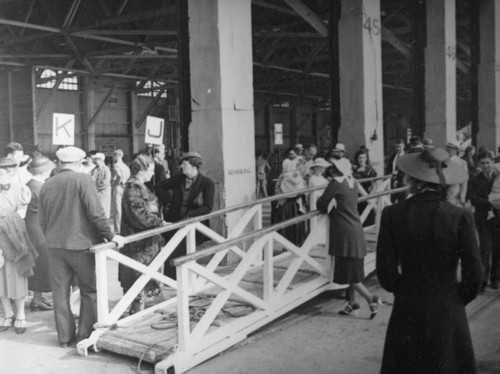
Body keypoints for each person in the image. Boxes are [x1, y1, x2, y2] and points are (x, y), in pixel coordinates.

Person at [376, 147, 483, 373]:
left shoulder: (392, 214)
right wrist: (455, 297)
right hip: (448, 306)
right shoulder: (461, 216)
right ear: (448, 184)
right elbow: (475, 274)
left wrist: (404, 289)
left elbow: (385, 273)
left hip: (408, 307)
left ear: (411, 179)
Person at [38, 146, 125, 347]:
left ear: (59, 163)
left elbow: (41, 221)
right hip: (81, 245)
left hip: (54, 245)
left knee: (60, 292)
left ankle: (65, 338)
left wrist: (51, 237)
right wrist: (112, 236)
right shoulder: (83, 180)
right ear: (79, 163)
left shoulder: (47, 184)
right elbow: (96, 214)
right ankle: (85, 335)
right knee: (89, 290)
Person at [316, 161, 380, 318]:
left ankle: (371, 298)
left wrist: (331, 209)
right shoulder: (354, 182)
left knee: (348, 273)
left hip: (344, 233)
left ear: (336, 170)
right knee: (355, 271)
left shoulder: (335, 183)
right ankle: (352, 303)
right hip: (356, 230)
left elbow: (321, 204)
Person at [156, 152, 215, 280]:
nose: (181, 167)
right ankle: (170, 283)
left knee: (179, 252)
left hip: (192, 225)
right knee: (171, 253)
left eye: (184, 164)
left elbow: (208, 207)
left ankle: (178, 282)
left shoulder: (207, 183)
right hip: (174, 222)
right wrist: (167, 203)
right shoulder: (178, 179)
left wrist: (190, 214)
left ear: (194, 165)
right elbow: (159, 187)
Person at [119, 155, 166, 314]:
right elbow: (138, 215)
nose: (153, 174)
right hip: (139, 246)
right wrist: (160, 223)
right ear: (141, 170)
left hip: (145, 244)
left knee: (143, 280)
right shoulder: (134, 188)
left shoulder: (139, 186)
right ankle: (136, 314)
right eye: (151, 170)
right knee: (139, 280)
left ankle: (139, 312)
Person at [0, 157, 37, 334]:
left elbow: (22, 212)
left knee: (17, 274)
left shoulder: (20, 188)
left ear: (12, 172)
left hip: (13, 235)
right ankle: (7, 313)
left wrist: (8, 220)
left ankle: (20, 314)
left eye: (3, 171)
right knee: (0, 279)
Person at [26, 156, 56, 312]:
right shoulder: (39, 187)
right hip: (38, 230)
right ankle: (37, 300)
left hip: (33, 228)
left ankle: (38, 297)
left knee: (40, 263)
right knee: (41, 264)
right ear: (44, 170)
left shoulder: (31, 185)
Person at [468, 152, 500, 291]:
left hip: (499, 217)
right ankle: (482, 280)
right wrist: (491, 203)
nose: (486, 166)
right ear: (478, 164)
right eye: (482, 163)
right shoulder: (474, 180)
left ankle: (495, 278)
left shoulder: (498, 177)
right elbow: (474, 199)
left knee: (498, 249)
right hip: (483, 218)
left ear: (492, 162)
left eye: (488, 162)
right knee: (485, 248)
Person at [275, 148, 307, 246]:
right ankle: (293, 244)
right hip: (291, 202)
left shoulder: (287, 176)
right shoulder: (291, 176)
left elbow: (278, 189)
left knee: (291, 224)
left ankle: (290, 244)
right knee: (293, 224)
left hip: (289, 202)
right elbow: (301, 187)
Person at [352, 149, 377, 226]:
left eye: (363, 157)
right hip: (357, 195)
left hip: (367, 195)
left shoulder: (370, 170)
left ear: (366, 158)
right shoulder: (354, 170)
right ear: (357, 159)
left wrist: (369, 197)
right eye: (360, 158)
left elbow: (374, 186)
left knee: (368, 218)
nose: (362, 160)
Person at [110, 149, 131, 234]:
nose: (112, 157)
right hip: (125, 188)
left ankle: (117, 229)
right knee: (124, 208)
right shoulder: (126, 166)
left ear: (117, 156)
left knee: (117, 209)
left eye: (113, 156)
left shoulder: (116, 165)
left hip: (118, 187)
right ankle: (123, 227)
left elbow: (118, 176)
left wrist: (114, 182)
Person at [446, 141, 469, 206]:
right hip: (443, 191)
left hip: (455, 192)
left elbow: (464, 181)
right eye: (447, 147)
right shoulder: (443, 161)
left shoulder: (462, 163)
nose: (448, 149)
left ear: (456, 150)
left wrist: (462, 197)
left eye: (451, 148)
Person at [90, 152, 112, 218]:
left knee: (103, 211)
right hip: (96, 192)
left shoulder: (106, 169)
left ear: (100, 160)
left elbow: (106, 181)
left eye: (96, 159)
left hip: (103, 193)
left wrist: (96, 187)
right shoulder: (95, 169)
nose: (94, 161)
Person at [385, 139, 406, 203]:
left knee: (402, 200)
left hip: (402, 180)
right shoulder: (392, 156)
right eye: (396, 147)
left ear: (403, 146)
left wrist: (398, 180)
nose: (398, 148)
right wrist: (388, 176)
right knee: (392, 199)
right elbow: (389, 168)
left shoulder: (406, 157)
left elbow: (404, 170)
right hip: (392, 178)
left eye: (400, 146)